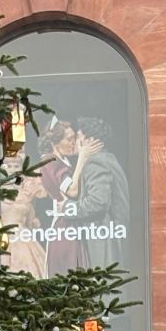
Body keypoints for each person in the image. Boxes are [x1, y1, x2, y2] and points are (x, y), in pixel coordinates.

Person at [37, 117, 103, 275]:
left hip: (71, 222)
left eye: (74, 138)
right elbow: (72, 190)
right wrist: (82, 157)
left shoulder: (62, 161)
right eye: (69, 139)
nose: (74, 142)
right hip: (65, 228)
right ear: (55, 143)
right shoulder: (50, 162)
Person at [69, 116, 129, 270]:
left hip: (103, 244)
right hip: (109, 240)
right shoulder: (107, 159)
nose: (74, 141)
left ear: (89, 141)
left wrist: (68, 208)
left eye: (78, 137)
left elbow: (98, 202)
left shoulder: (96, 162)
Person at [0, 157, 47, 278]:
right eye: (9, 166)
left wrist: (36, 223)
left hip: (22, 237)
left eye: (16, 166)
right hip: (1, 237)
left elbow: (32, 220)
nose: (12, 169)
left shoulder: (27, 193)